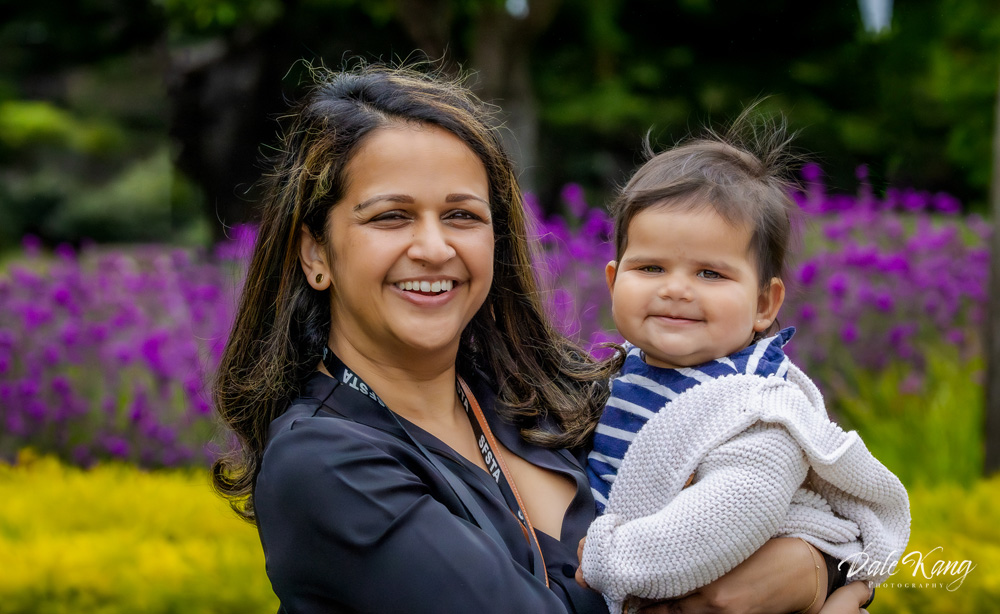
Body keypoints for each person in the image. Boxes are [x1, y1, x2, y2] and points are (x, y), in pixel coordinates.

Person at [211, 62, 871, 613]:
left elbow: (819, 512)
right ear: (315, 253)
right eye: (391, 216)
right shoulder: (325, 463)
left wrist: (810, 572)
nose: (434, 247)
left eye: (462, 215)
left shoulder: (556, 393)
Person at [578, 115, 911, 614]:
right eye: (650, 267)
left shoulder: (756, 407)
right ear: (613, 282)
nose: (675, 288)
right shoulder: (619, 373)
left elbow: (733, 511)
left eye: (710, 274)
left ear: (763, 305)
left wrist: (610, 558)